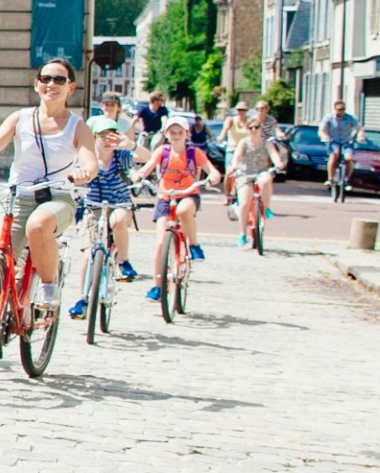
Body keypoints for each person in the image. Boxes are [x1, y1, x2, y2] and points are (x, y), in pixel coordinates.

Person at [0, 57, 93, 313]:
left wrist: (84, 171)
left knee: (38, 226)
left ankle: (48, 283)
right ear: (36, 84)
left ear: (71, 87)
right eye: (45, 79)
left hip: (57, 198)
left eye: (59, 79)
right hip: (17, 196)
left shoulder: (78, 126)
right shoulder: (20, 118)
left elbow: (89, 159)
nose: (51, 84)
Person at [137, 116, 219, 285]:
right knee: (160, 243)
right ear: (166, 134)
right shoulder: (162, 152)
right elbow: (148, 166)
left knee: (183, 210)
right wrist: (139, 175)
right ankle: (157, 286)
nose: (175, 136)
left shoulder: (194, 152)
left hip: (188, 194)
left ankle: (194, 245)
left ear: (187, 134)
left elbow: (211, 170)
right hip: (166, 197)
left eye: (179, 133)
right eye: (172, 132)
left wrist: (213, 177)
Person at [67, 115, 135, 320]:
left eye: (112, 135)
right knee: (89, 254)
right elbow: (74, 174)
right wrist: (74, 179)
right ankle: (83, 299)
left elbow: (146, 156)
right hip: (93, 208)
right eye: (102, 136)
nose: (107, 140)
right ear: (94, 138)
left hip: (119, 204)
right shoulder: (88, 158)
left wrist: (130, 144)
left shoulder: (121, 156)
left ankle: (123, 262)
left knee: (118, 221)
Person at [225, 104, 281, 245]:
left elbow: (274, 154)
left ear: (261, 129)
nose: (254, 130)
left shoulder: (266, 143)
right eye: (251, 128)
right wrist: (233, 166)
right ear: (247, 130)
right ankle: (242, 233)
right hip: (245, 174)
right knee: (244, 203)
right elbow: (236, 157)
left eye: (257, 127)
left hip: (261, 172)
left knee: (267, 178)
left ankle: (266, 208)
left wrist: (278, 163)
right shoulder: (243, 143)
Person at [320, 100, 360, 187]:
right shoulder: (329, 118)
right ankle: (330, 179)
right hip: (333, 141)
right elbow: (321, 130)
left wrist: (361, 136)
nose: (341, 111)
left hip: (346, 142)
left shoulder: (350, 118)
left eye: (343, 109)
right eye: (339, 109)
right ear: (335, 109)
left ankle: (346, 180)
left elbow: (359, 128)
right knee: (334, 155)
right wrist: (324, 136)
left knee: (349, 158)